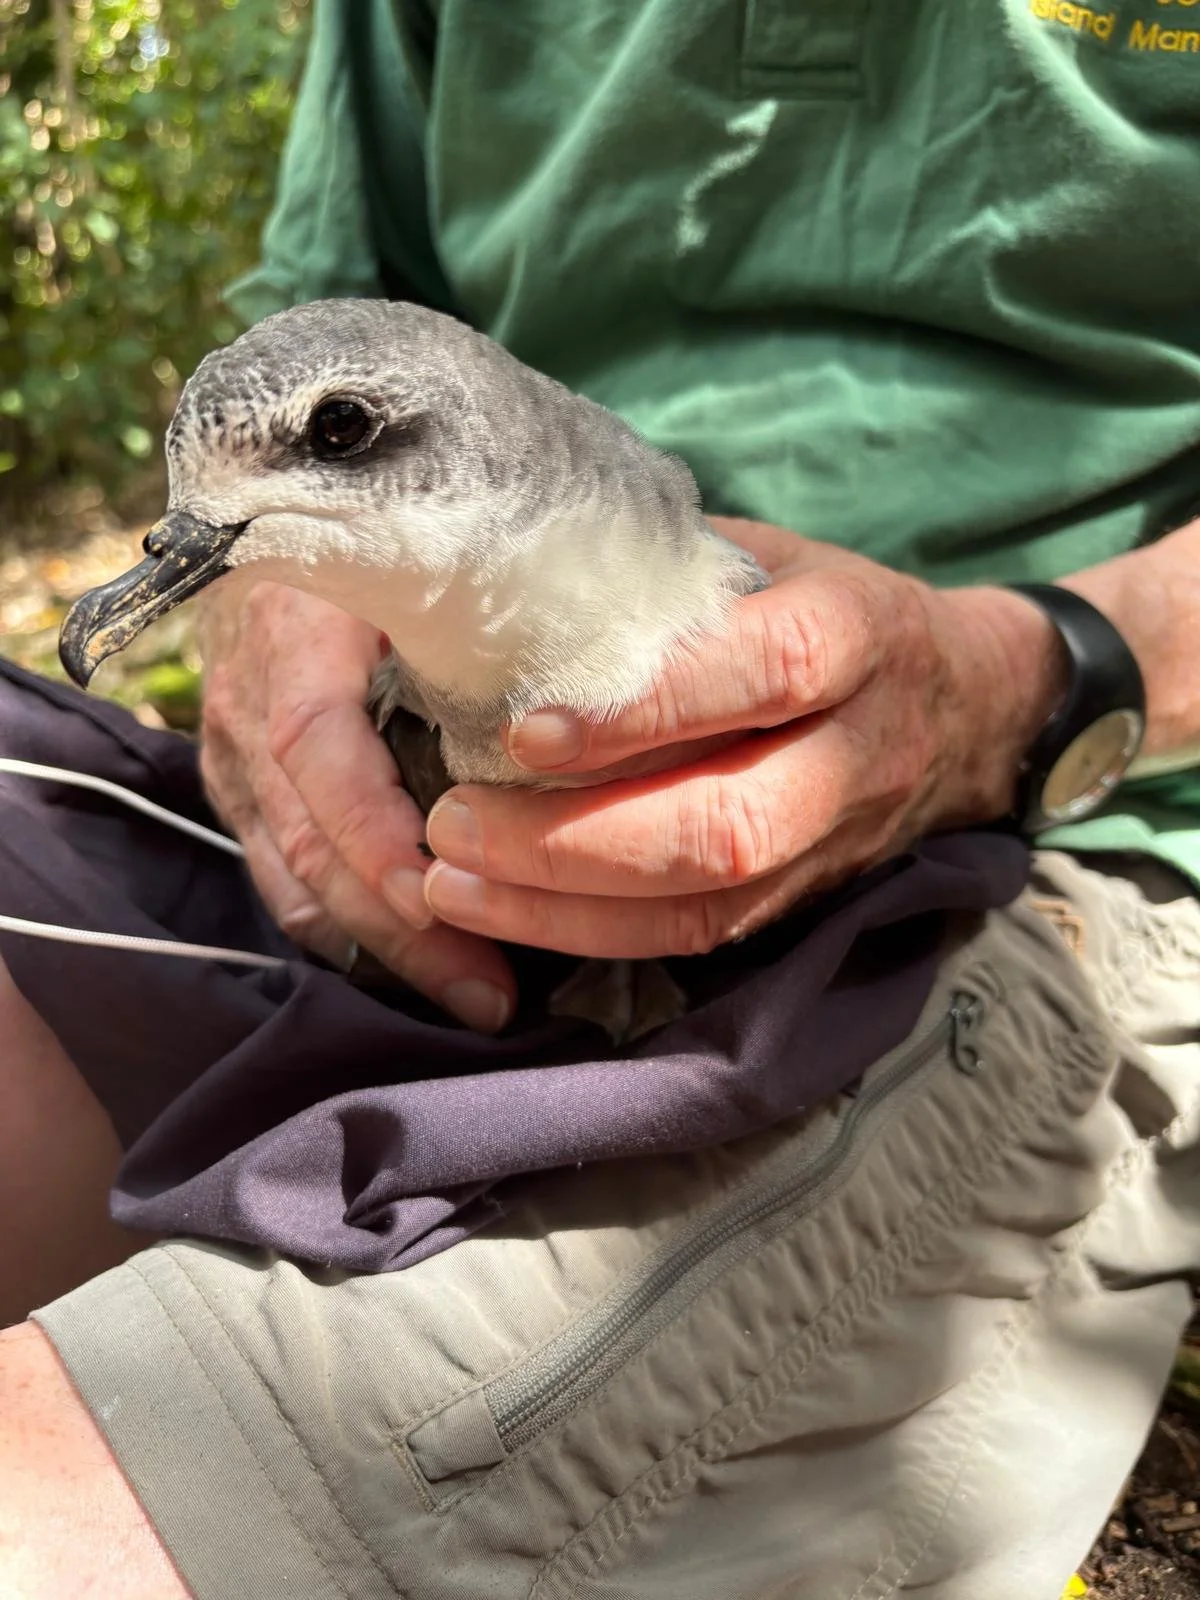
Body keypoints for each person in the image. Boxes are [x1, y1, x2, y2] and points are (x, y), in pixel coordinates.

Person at [1, 1, 1198, 1594]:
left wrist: (1036, 683)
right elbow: (335, 297)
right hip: (396, 791)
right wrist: (268, 608)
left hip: (1054, 852)